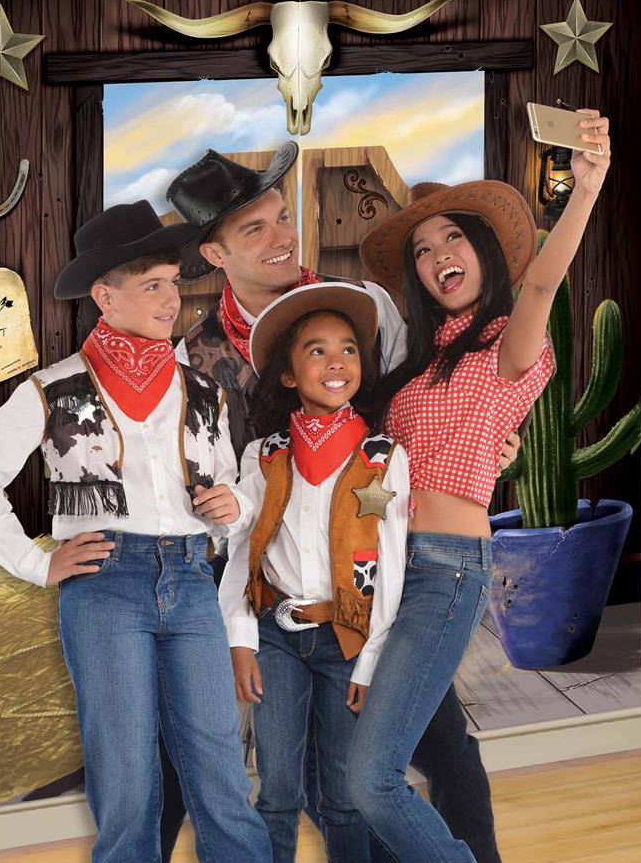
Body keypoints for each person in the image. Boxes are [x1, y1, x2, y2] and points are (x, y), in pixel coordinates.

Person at [163, 141, 514, 863]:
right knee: (255, 770)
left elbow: (428, 407)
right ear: (215, 253)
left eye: (281, 217)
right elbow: (200, 489)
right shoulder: (192, 362)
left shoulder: (369, 310)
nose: (281, 237)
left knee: (430, 746)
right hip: (272, 595)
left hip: (375, 577)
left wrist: (488, 452)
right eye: (253, 229)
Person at [0, 201, 272, 863]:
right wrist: (38, 565)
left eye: (175, 282)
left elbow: (237, 478)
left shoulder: (202, 388)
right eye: (153, 284)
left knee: (220, 770)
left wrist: (232, 500)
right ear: (105, 294)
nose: (171, 298)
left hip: (189, 577)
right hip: (104, 584)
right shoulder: (54, 387)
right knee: (125, 778)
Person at [348, 111, 612, 860]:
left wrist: (584, 191)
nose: (438, 256)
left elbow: (540, 289)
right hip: (383, 570)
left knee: (372, 780)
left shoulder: (507, 344)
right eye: (424, 251)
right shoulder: (415, 366)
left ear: (485, 249)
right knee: (366, 767)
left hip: (445, 569)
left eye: (453, 238)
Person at [219, 282, 410, 863]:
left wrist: (372, 658)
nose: (336, 363)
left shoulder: (382, 456)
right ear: (287, 374)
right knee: (276, 790)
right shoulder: (265, 455)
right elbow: (240, 551)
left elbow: (392, 566)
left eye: (349, 349)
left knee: (345, 795)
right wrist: (241, 640)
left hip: (345, 641)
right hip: (275, 638)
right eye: (317, 350)